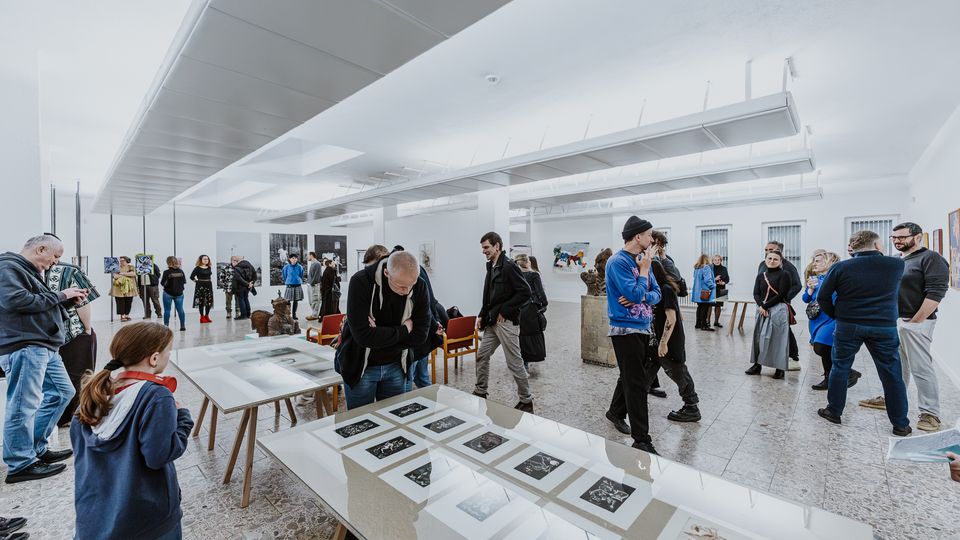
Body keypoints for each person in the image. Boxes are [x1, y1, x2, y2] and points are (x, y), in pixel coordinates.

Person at [71, 322, 193, 540]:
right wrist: (183, 419)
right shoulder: (156, 396)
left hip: (97, 518)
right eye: (168, 351)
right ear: (154, 358)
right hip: (148, 521)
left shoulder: (95, 395)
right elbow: (158, 455)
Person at [0, 234, 88, 483]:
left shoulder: (28, 271)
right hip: (25, 345)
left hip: (43, 346)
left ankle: (35, 448)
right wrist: (61, 295)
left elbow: (36, 306)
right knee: (22, 405)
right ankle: (20, 463)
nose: (55, 262)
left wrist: (67, 301)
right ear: (40, 249)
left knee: (62, 392)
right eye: (55, 256)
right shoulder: (7, 267)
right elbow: (15, 301)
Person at [815, 230, 911, 437]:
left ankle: (834, 411)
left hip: (848, 325)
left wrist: (837, 315)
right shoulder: (896, 264)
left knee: (840, 368)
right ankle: (901, 424)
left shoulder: (840, 267)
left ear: (853, 248)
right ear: (877, 245)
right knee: (892, 374)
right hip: (884, 326)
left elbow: (823, 297)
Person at [859, 222, 949, 432]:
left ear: (917, 237)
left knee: (921, 368)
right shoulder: (898, 260)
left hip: (917, 322)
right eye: (894, 237)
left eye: (902, 237)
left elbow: (936, 293)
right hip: (893, 321)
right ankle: (891, 398)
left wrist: (915, 322)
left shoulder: (931, 258)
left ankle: (930, 413)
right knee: (896, 366)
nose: (897, 241)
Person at [336, 251, 430, 409]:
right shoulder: (361, 282)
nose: (407, 291)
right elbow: (363, 337)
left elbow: (420, 335)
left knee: (395, 418)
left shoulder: (420, 285)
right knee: (360, 419)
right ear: (387, 273)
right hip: (361, 367)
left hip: (397, 365)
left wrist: (378, 335)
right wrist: (404, 330)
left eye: (411, 285)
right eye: (401, 286)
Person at [604, 216, 662, 455]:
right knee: (636, 383)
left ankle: (615, 412)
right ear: (638, 236)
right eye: (649, 235)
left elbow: (656, 293)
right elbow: (634, 294)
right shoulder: (617, 262)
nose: (652, 239)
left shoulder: (643, 260)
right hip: (625, 330)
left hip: (643, 327)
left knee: (632, 376)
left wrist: (643, 295)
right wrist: (644, 273)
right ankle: (641, 439)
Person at [475, 232, 534, 412]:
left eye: (486, 247)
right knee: (482, 355)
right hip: (492, 321)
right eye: (483, 248)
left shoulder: (509, 266)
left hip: (506, 322)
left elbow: (525, 292)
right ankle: (480, 391)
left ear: (497, 246)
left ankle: (526, 400)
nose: (484, 251)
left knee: (514, 362)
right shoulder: (491, 265)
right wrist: (481, 315)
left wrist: (505, 310)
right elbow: (488, 295)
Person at [45, 261, 100, 428]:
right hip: (73, 332)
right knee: (80, 374)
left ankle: (60, 416)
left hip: (45, 335)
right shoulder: (69, 270)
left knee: (55, 379)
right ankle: (74, 415)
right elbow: (83, 302)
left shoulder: (27, 271)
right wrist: (87, 329)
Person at [650, 259, 700, 422]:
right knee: (648, 370)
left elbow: (671, 318)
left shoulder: (666, 289)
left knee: (678, 371)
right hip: (657, 341)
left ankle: (692, 407)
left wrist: (663, 343)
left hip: (670, 341)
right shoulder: (656, 289)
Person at [802, 251, 861, 390]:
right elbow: (805, 299)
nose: (814, 264)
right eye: (814, 260)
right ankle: (829, 378)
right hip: (817, 319)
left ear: (829, 262)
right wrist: (810, 289)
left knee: (821, 346)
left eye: (818, 261)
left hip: (831, 318)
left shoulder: (838, 279)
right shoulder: (815, 279)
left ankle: (848, 372)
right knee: (825, 348)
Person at [756, 241, 802, 370]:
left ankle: (793, 357)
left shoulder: (789, 267)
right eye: (766, 250)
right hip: (764, 306)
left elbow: (797, 285)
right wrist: (762, 304)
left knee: (784, 331)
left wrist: (784, 298)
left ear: (780, 252)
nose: (767, 252)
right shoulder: (762, 264)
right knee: (762, 332)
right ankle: (759, 361)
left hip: (779, 305)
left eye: (771, 249)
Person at [745, 250, 791, 379]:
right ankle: (757, 365)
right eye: (769, 258)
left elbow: (782, 294)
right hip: (762, 310)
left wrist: (765, 306)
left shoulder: (784, 274)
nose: (772, 261)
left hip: (778, 310)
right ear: (765, 260)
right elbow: (756, 293)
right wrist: (761, 306)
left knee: (779, 339)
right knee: (758, 338)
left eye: (775, 259)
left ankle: (780, 368)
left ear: (780, 261)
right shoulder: (761, 276)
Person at [514, 253, 548, 369]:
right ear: (526, 262)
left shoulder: (515, 275)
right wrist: (544, 303)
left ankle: (521, 360)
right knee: (531, 334)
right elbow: (540, 292)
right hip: (530, 308)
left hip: (518, 308)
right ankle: (527, 360)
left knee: (521, 334)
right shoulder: (534, 275)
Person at [161, 256, 187, 332]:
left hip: (168, 293)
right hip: (179, 294)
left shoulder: (166, 272)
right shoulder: (181, 271)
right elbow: (184, 281)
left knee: (167, 310)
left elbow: (163, 283)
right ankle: (182, 326)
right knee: (180, 310)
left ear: (168, 262)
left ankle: (166, 327)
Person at [692, 254, 716, 331]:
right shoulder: (706, 267)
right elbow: (708, 280)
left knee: (699, 307)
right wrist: (713, 285)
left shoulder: (697, 268)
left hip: (698, 292)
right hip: (705, 291)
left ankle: (698, 324)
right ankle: (704, 326)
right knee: (705, 308)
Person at [110, 256, 137, 321]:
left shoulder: (131, 267)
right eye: (120, 261)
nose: (121, 262)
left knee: (129, 301)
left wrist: (122, 273)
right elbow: (115, 276)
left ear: (127, 261)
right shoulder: (116, 267)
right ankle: (122, 316)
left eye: (123, 260)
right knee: (120, 301)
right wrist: (127, 274)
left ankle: (127, 315)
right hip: (118, 287)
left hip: (129, 287)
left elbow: (133, 274)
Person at [190, 254, 214, 323]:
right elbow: (191, 277)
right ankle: (202, 317)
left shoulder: (209, 267)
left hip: (208, 285)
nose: (206, 260)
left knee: (209, 301)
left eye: (207, 259)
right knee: (201, 301)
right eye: (204, 259)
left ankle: (207, 316)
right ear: (201, 260)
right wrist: (197, 282)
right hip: (200, 286)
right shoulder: (197, 268)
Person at [232, 256, 256, 320]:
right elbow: (255, 276)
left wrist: (247, 284)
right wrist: (251, 283)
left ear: (237, 261)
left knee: (241, 300)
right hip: (247, 287)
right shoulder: (250, 266)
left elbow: (238, 278)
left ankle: (243, 315)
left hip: (240, 287)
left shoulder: (237, 268)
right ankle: (248, 314)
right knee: (246, 298)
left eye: (235, 261)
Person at [282, 254, 304, 319]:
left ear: (297, 259)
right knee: (288, 301)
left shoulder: (300, 267)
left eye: (295, 258)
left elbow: (301, 275)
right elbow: (284, 276)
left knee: (295, 301)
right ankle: (288, 314)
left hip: (297, 285)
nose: (294, 259)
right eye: (292, 258)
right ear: (290, 259)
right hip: (289, 285)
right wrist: (288, 281)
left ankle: (294, 315)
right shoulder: (286, 267)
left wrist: (297, 280)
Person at [711, 254, 730, 328]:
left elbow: (727, 279)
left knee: (719, 306)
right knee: (709, 305)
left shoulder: (724, 268)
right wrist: (714, 279)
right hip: (712, 288)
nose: (717, 261)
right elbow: (707, 279)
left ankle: (716, 322)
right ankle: (707, 322)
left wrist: (724, 282)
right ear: (713, 261)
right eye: (715, 260)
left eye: (718, 260)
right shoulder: (710, 268)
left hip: (722, 288)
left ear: (721, 260)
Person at [305, 252, 322, 320]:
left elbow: (317, 275)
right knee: (311, 301)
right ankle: (314, 314)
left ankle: (315, 315)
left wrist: (312, 283)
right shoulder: (313, 263)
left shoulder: (317, 264)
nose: (307, 257)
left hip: (314, 285)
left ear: (311, 255)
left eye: (308, 255)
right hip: (310, 284)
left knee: (315, 300)